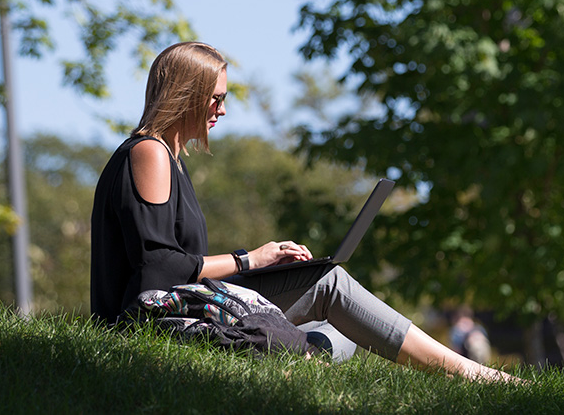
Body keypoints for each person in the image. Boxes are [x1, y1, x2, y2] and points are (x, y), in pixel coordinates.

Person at [90, 41, 518, 383]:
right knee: (330, 284)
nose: (223, 109)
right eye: (215, 98)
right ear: (187, 95)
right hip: (147, 325)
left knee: (346, 336)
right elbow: (157, 267)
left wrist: (263, 262)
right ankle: (474, 374)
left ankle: (297, 359)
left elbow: (176, 263)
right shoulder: (149, 153)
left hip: (184, 309)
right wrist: (248, 261)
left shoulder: (171, 156)